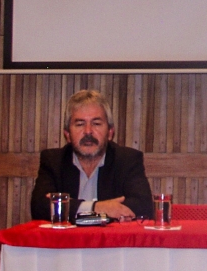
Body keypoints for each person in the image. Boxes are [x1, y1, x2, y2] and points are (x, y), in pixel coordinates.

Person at [30, 89, 153, 221]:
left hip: (109, 240)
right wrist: (97, 207)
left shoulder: (127, 160)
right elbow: (39, 207)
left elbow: (143, 207)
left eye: (96, 123)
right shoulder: (54, 161)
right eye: (80, 124)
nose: (88, 131)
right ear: (67, 135)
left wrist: (76, 208)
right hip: (68, 241)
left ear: (110, 133)